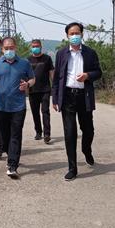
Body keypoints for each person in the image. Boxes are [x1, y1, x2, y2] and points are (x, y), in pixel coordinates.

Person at [52, 22, 102, 181]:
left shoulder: (90, 53)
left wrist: (88, 75)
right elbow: (57, 77)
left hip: (84, 96)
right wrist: (55, 98)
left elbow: (98, 72)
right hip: (67, 96)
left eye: (77, 33)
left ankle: (86, 150)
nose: (74, 36)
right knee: (70, 132)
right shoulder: (61, 53)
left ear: (82, 34)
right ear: (67, 36)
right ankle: (72, 168)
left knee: (88, 130)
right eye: (71, 34)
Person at [0, 37, 35, 178]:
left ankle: (12, 165)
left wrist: (28, 84)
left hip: (18, 106)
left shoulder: (24, 63)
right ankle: (10, 154)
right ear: (2, 49)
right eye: (6, 48)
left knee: (16, 135)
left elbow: (32, 79)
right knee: (5, 135)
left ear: (15, 47)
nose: (9, 50)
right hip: (1, 106)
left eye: (11, 48)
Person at [27, 39, 54, 144]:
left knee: (45, 111)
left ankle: (47, 134)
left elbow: (51, 73)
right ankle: (38, 132)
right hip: (32, 90)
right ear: (31, 47)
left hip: (45, 89)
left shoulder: (47, 58)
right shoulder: (28, 60)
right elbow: (25, 74)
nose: (35, 48)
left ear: (41, 47)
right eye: (33, 46)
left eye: (37, 46)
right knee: (35, 112)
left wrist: (54, 86)